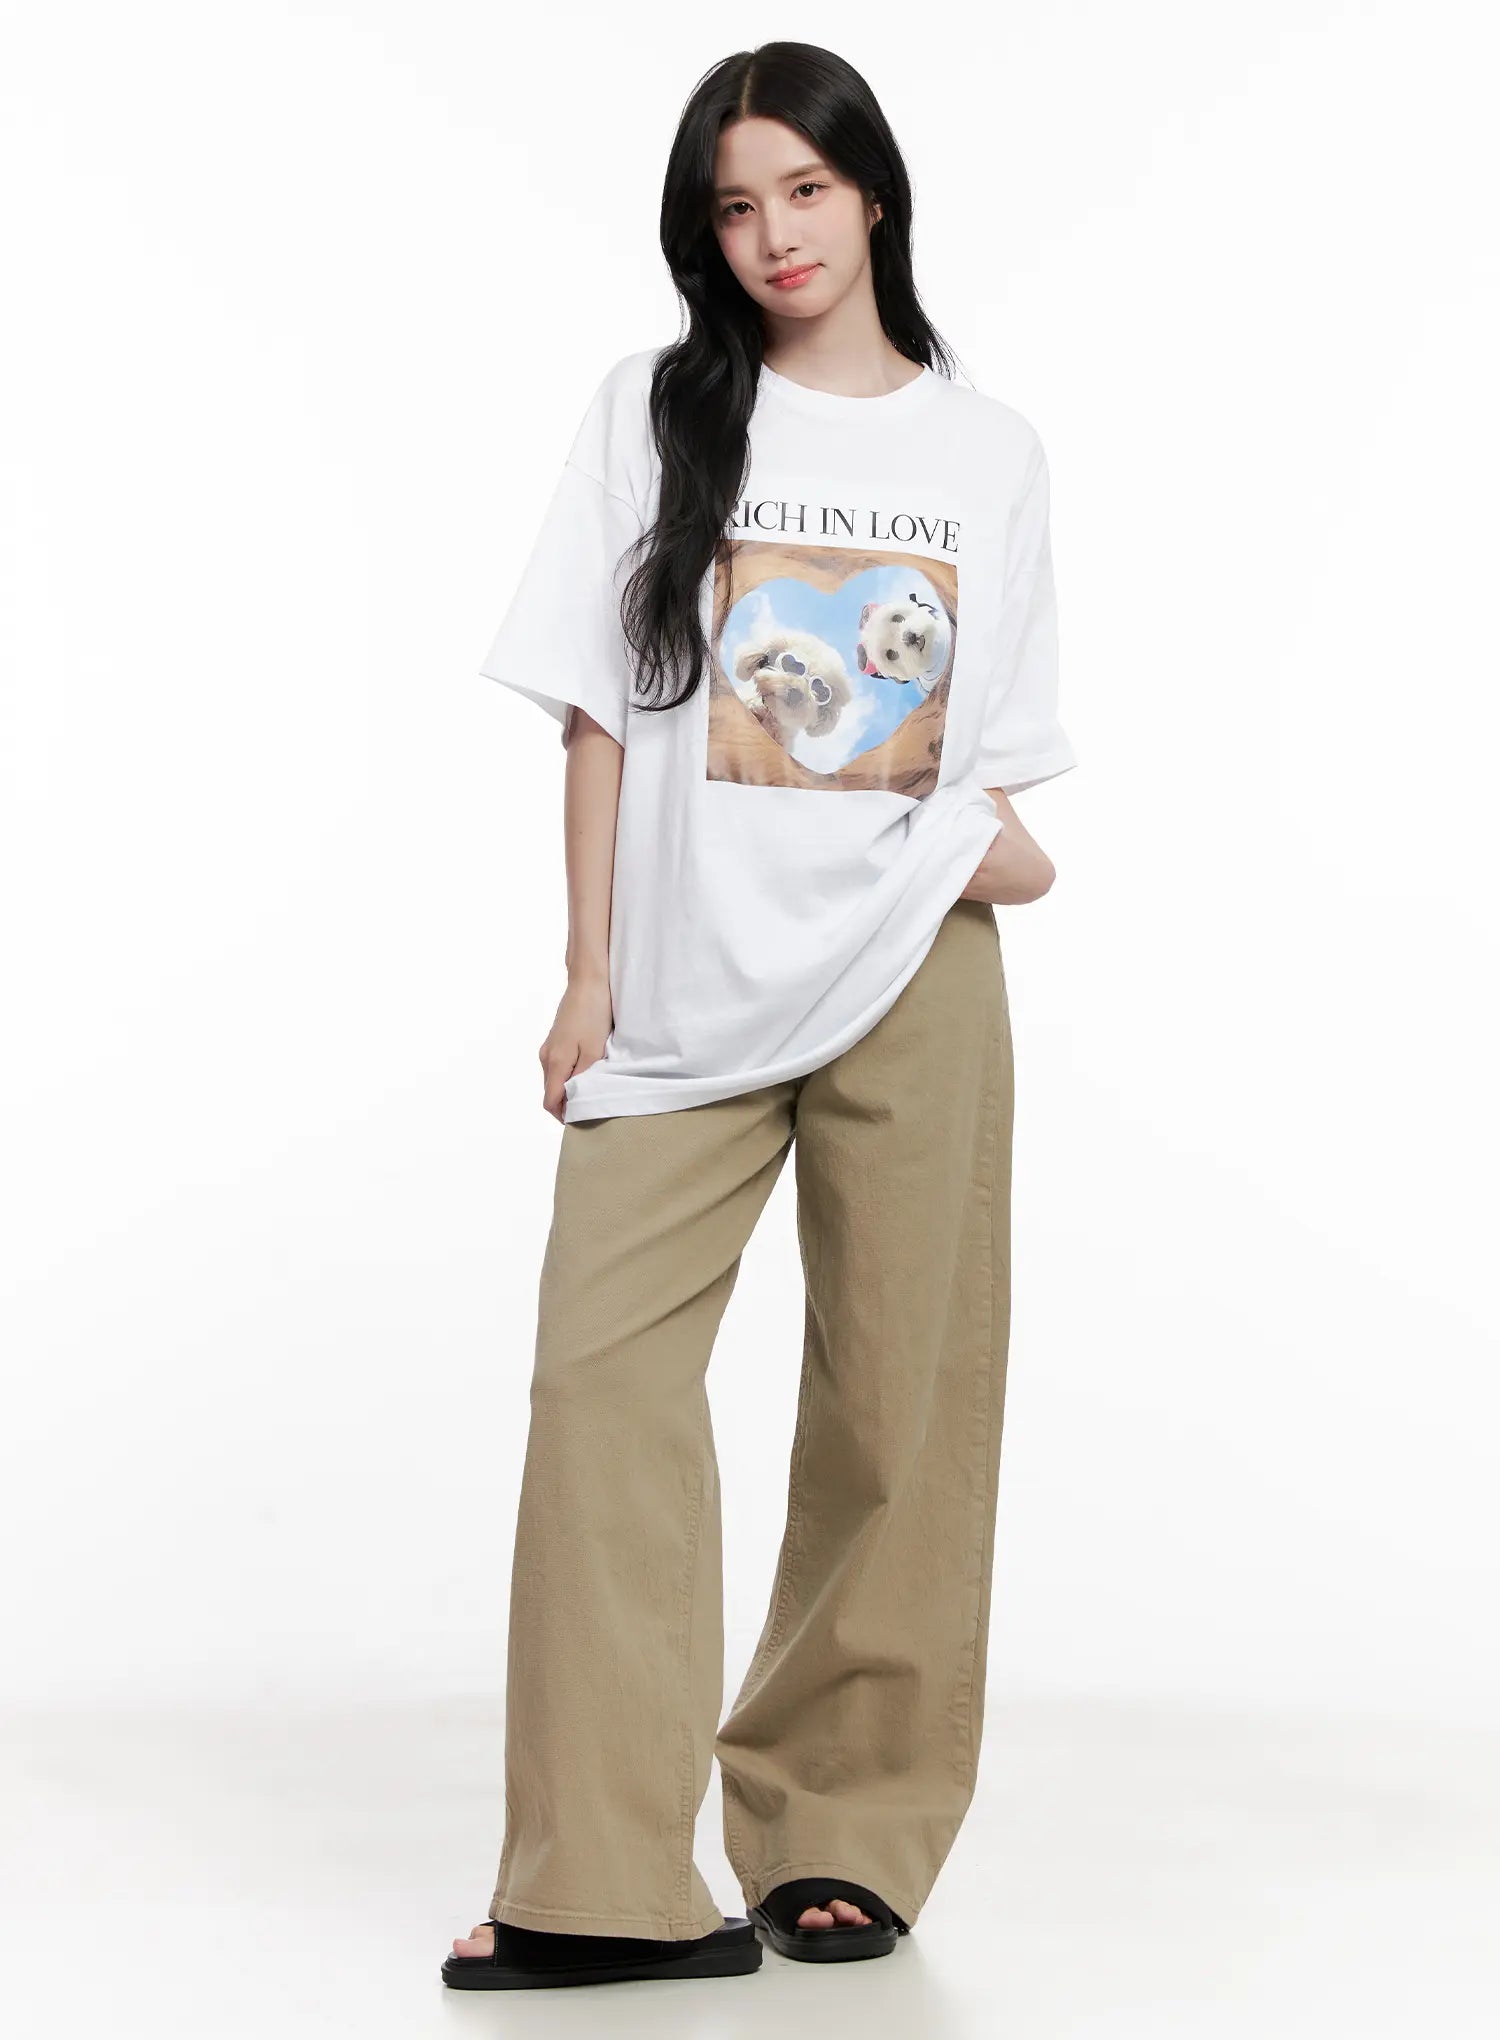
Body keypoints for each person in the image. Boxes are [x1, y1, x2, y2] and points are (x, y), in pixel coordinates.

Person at [443, 38, 1078, 1992]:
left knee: (900, 1408)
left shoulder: (987, 453)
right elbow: (593, 709)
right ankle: (598, 1878)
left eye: (804, 189)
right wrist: (586, 971)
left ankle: (840, 1837)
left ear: (872, 193)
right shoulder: (653, 416)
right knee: (601, 1392)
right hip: (679, 987)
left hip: (911, 977)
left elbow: (990, 759)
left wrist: (977, 855)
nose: (775, 236)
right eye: (734, 206)